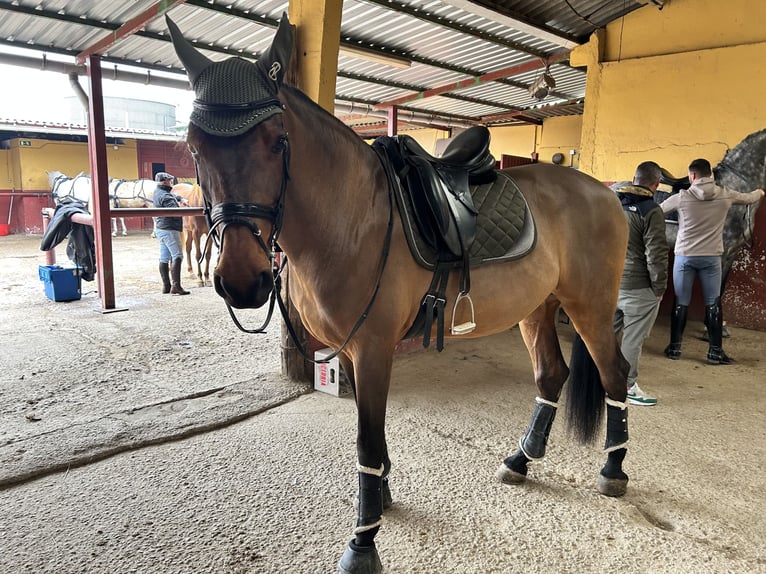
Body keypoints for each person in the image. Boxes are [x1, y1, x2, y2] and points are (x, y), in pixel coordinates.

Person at [661, 158, 764, 364]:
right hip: (711, 259)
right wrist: (760, 192)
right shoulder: (726, 194)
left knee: (681, 301)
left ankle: (674, 349)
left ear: (692, 176)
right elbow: (749, 197)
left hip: (685, 258)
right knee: (713, 303)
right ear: (711, 175)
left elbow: (657, 211)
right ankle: (715, 352)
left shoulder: (681, 197)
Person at [612, 161, 668, 406]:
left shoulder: (612, 202)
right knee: (632, 339)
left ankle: (600, 376)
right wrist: (659, 288)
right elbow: (655, 254)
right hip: (638, 285)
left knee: (606, 333)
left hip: (610, 282)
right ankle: (626, 385)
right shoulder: (652, 210)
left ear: (633, 178)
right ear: (656, 184)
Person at [153, 172, 190, 296]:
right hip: (170, 228)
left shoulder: (158, 192)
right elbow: (175, 211)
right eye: (169, 180)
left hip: (161, 228)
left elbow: (173, 195)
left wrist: (181, 198)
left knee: (164, 257)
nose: (170, 182)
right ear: (165, 182)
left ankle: (166, 286)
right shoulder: (167, 197)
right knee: (177, 256)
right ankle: (176, 286)